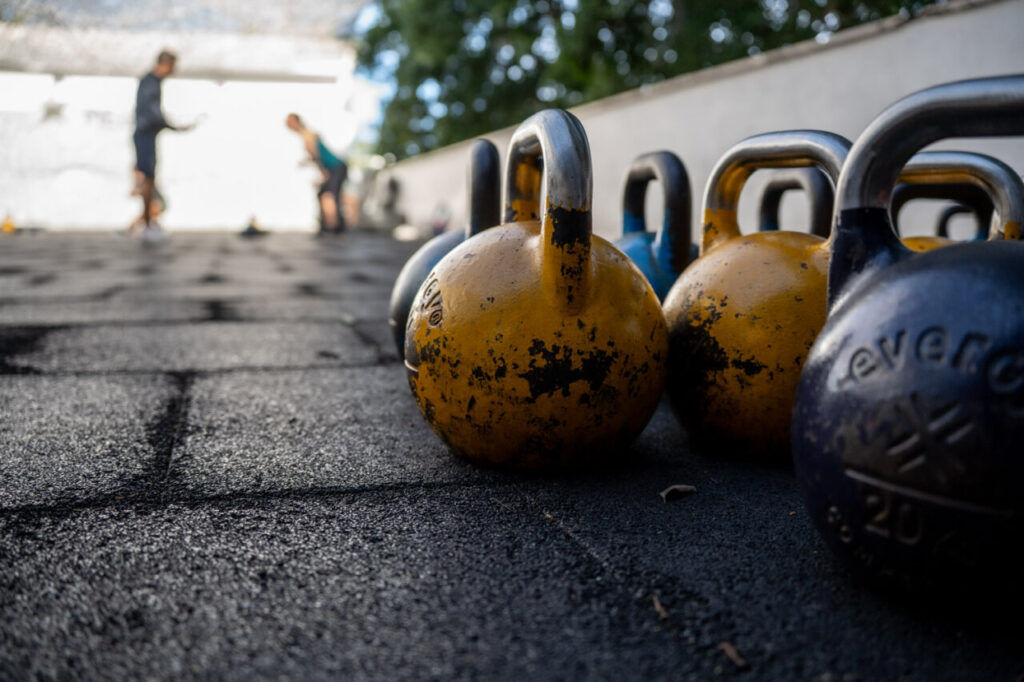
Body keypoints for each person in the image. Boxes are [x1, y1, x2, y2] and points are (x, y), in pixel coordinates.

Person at [132, 50, 193, 241]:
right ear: (166, 64)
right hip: (145, 135)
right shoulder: (150, 83)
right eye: (173, 67)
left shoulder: (152, 82)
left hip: (147, 134)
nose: (174, 71)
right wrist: (175, 127)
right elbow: (152, 114)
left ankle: (149, 224)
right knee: (147, 178)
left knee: (149, 178)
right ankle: (148, 226)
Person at [285, 113, 347, 234]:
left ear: (296, 122)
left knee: (331, 195)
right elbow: (316, 156)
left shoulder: (307, 134)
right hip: (334, 168)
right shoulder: (308, 135)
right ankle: (328, 226)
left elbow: (316, 156)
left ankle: (335, 227)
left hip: (337, 167)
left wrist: (323, 174)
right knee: (323, 193)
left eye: (290, 122)